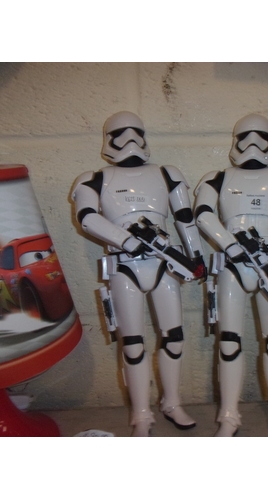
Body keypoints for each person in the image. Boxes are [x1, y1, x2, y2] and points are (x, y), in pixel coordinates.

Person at [71, 111, 205, 436]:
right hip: (124, 266)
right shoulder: (95, 178)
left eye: (135, 132)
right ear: (109, 139)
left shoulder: (166, 173)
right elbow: (86, 216)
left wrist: (196, 256)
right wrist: (126, 240)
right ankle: (141, 413)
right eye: (120, 133)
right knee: (132, 343)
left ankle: (172, 402)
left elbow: (185, 218)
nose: (129, 139)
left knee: (174, 337)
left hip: (163, 264)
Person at [194, 113, 268, 437]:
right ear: (235, 141)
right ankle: (228, 415)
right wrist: (231, 246)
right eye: (245, 136)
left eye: (260, 136)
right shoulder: (217, 178)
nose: (252, 143)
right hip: (233, 265)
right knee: (229, 341)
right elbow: (203, 215)